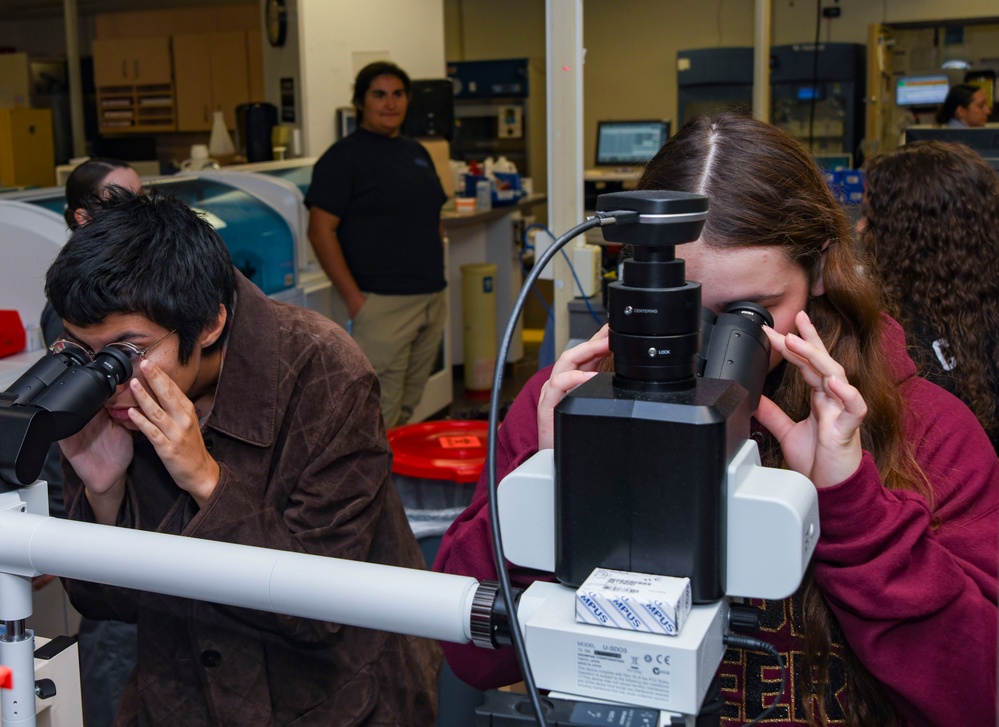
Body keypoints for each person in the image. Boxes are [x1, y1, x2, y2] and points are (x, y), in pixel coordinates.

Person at [433, 114, 998, 726]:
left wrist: (852, 506)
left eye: (746, 315)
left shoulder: (927, 430)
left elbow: (977, 693)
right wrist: (547, 486)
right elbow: (469, 657)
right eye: (686, 312)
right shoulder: (567, 408)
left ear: (820, 272)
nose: (706, 351)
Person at [46, 189, 441, 725]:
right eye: (82, 350)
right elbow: (107, 606)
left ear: (208, 323)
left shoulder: (324, 373)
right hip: (180, 695)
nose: (106, 378)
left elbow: (318, 610)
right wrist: (104, 494)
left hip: (328, 697)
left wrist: (207, 481)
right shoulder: (109, 392)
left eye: (128, 352)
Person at [35, 157, 144, 727]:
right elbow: (73, 431)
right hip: (95, 496)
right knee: (113, 635)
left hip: (117, 499)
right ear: (82, 217)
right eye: (120, 202)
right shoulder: (77, 309)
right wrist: (55, 525)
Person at [306, 60, 447, 429]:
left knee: (408, 410)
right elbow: (320, 231)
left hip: (430, 300)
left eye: (398, 94)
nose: (390, 103)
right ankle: (371, 488)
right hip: (380, 307)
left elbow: (432, 216)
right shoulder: (343, 158)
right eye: (379, 95)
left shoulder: (416, 151)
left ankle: (396, 485)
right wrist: (356, 301)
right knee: (375, 417)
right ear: (360, 102)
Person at [860, 140, 999, 449]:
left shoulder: (897, 336)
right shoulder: (980, 302)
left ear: (907, 235)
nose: (859, 229)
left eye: (870, 218)